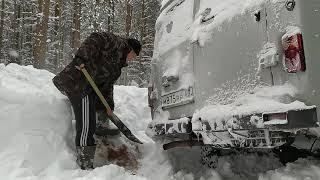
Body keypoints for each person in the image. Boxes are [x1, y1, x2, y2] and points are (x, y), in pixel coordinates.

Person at [52, 32, 141, 170]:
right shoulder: (116, 43)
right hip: (77, 81)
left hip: (88, 88)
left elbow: (107, 87)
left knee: (92, 119)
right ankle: (85, 163)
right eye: (134, 56)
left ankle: (98, 132)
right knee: (87, 124)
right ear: (131, 50)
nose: (132, 60)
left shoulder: (117, 67)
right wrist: (81, 58)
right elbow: (95, 38)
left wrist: (108, 107)